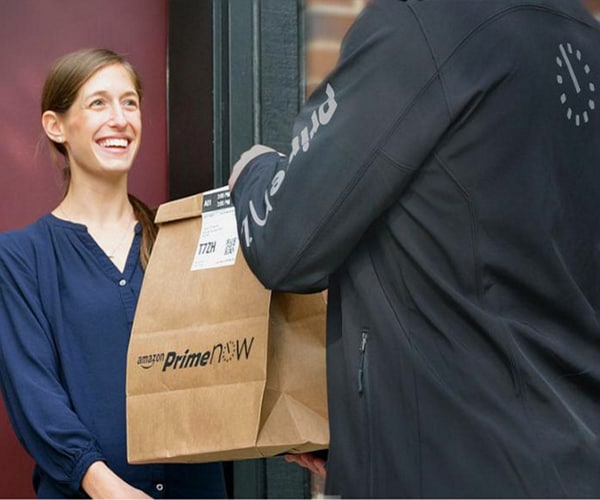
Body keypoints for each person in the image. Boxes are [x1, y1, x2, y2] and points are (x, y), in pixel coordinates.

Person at [228, 0, 600, 497]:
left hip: (453, 466)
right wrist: (366, 438)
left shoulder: (422, 21)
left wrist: (252, 173)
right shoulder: (584, 38)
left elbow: (284, 242)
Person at [0, 48, 227, 499]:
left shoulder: (182, 239)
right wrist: (103, 486)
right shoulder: (21, 257)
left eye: (130, 103)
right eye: (98, 103)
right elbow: (34, 396)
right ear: (56, 126)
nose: (120, 119)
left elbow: (230, 358)